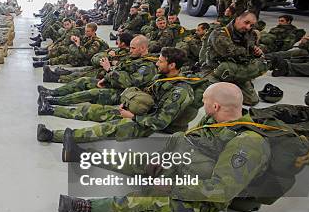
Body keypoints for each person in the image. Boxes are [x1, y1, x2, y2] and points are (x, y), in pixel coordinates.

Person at [58, 82, 273, 212]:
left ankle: (85, 207)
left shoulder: (248, 143)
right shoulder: (215, 121)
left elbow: (221, 190)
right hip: (181, 167)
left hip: (198, 195)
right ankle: (79, 154)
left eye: (205, 102)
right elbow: (189, 140)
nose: (203, 106)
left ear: (215, 106)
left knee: (146, 201)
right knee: (133, 160)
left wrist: (172, 187)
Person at [38, 47, 196, 143]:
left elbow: (160, 122)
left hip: (154, 124)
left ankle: (53, 135)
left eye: (160, 62)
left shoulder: (180, 91)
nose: (156, 63)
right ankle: (51, 109)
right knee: (96, 110)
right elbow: (145, 93)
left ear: (172, 65)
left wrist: (132, 117)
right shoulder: (161, 77)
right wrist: (127, 104)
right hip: (142, 113)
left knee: (108, 129)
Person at [202, 11, 266, 105]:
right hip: (215, 70)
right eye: (246, 22)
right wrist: (250, 52)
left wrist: (257, 53)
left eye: (251, 25)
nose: (248, 27)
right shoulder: (219, 33)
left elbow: (252, 50)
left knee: (252, 100)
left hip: (237, 70)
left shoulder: (249, 34)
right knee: (218, 98)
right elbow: (231, 51)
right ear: (237, 19)